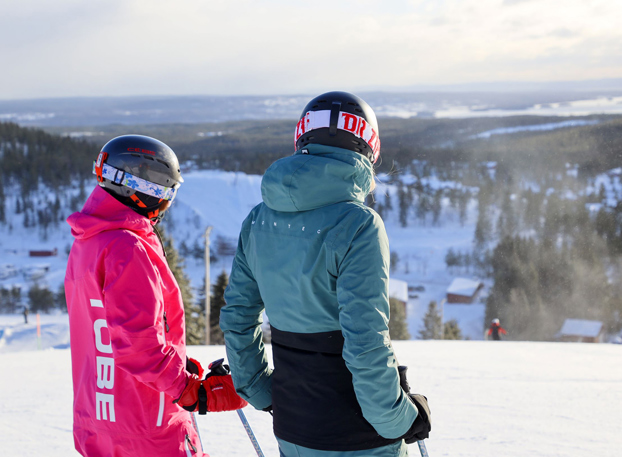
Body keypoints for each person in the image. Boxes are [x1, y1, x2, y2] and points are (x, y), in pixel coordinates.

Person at [220, 92, 431, 457]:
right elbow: (365, 339)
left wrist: (258, 389)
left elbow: (238, 317)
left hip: (292, 428)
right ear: (369, 149)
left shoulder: (258, 219)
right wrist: (399, 419)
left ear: (302, 137)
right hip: (359, 437)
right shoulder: (358, 225)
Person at [65, 135, 247, 457]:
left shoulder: (89, 243)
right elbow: (139, 344)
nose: (165, 204)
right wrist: (195, 391)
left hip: (100, 422)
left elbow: (114, 334)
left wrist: (184, 370)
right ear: (138, 189)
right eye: (165, 192)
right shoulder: (127, 248)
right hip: (149, 429)